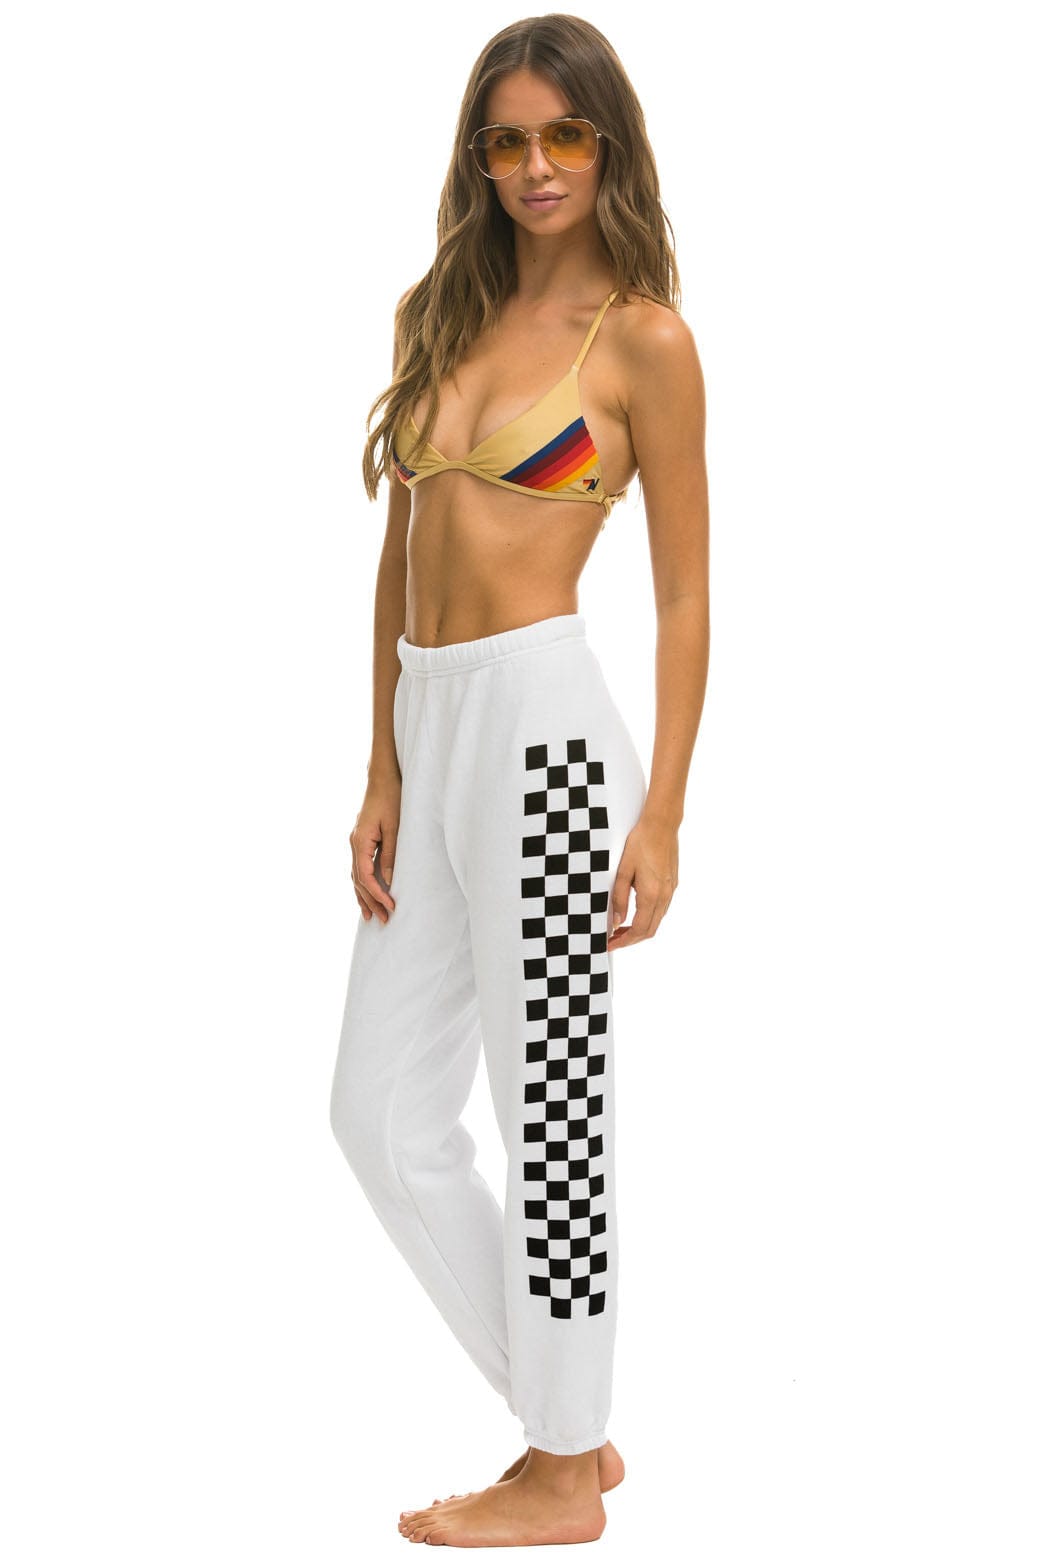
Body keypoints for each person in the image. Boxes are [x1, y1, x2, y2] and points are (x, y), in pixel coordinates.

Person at [329, 13, 709, 1548]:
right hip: (431, 724)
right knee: (378, 1113)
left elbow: (684, 591)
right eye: (508, 138)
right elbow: (400, 553)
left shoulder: (642, 341)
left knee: (551, 1114)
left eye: (564, 134)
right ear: (477, 155)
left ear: (607, 143)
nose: (537, 165)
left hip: (547, 734)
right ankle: (570, 1426)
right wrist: (381, 764)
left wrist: (662, 809)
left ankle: (558, 1474)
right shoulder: (443, 309)